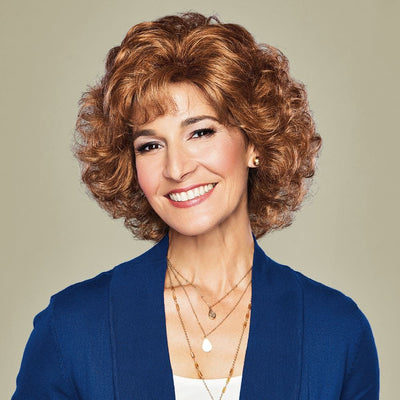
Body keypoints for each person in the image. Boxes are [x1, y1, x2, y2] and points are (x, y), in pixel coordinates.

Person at [12, 12, 379, 400]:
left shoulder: (336, 333)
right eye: (150, 145)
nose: (176, 168)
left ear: (254, 143)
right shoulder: (72, 329)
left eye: (201, 132)